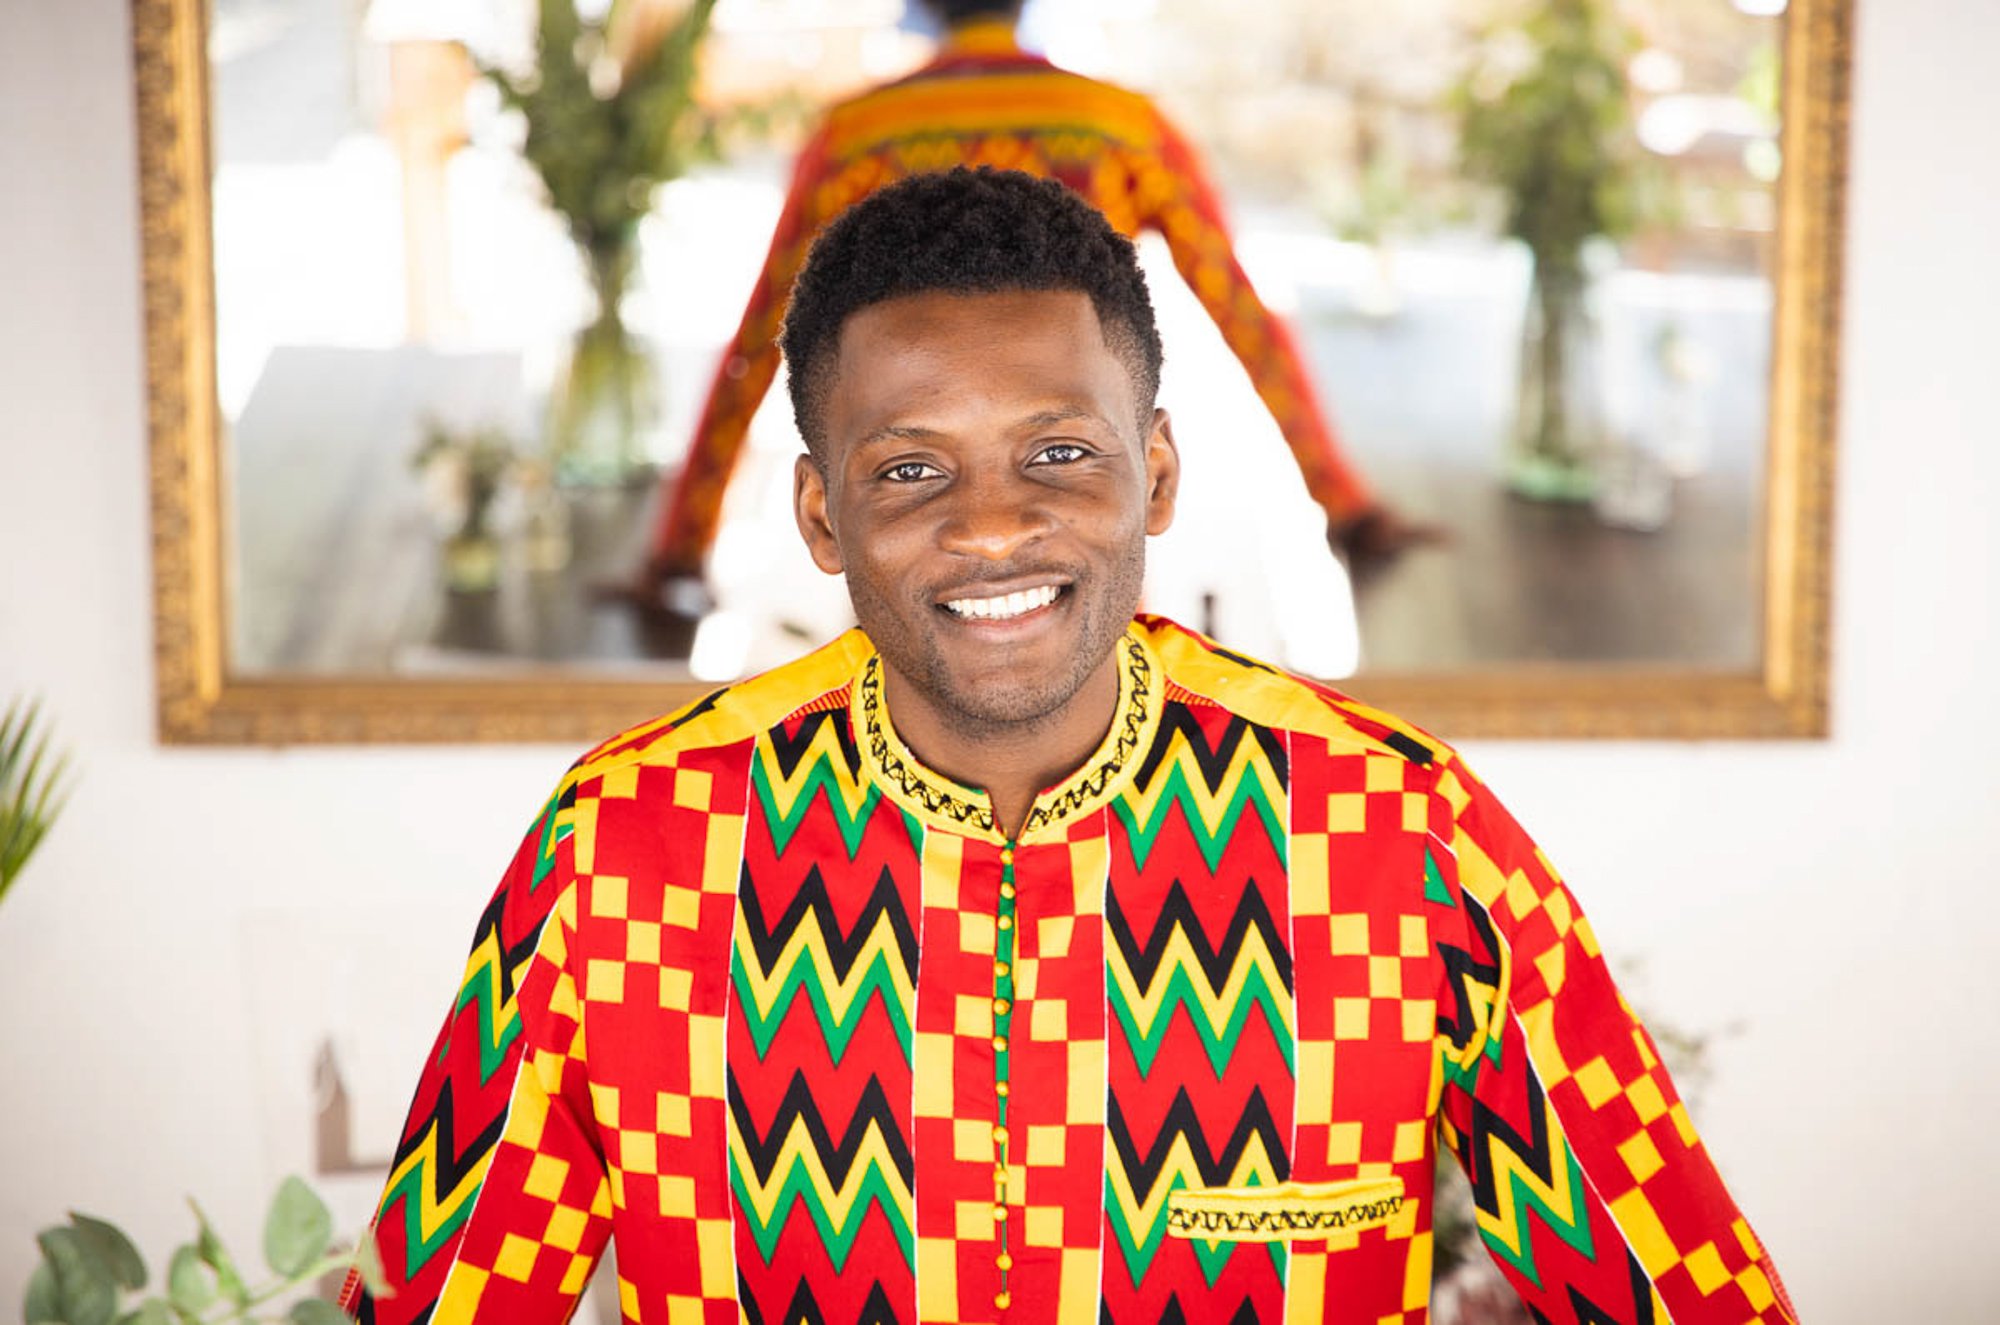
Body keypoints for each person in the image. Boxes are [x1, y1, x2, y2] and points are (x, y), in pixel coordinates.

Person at [345, 169, 1792, 1323]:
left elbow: (1688, 1297)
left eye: (1060, 453)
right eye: (910, 470)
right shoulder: (623, 855)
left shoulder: (1402, 838)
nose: (990, 527)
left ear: (1152, 474)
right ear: (819, 520)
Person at [641, 0, 1431, 623]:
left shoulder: (854, 137)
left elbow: (756, 347)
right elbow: (1246, 319)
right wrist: (1344, 501)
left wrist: (682, 545)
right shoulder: (1121, 126)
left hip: (917, 528)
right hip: (1075, 502)